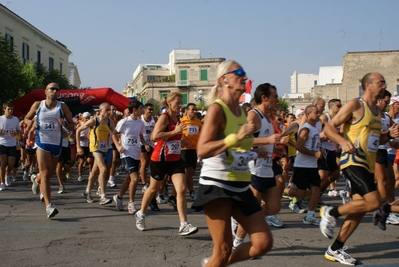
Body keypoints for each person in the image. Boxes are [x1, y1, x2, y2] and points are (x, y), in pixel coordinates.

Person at [193, 60, 272, 266]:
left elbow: (238, 148)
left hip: (240, 184)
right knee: (223, 250)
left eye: (244, 73)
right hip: (216, 184)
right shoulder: (217, 110)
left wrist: (258, 152)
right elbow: (202, 149)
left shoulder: (241, 111)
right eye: (238, 72)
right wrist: (237, 136)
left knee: (263, 243)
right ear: (224, 79)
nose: (244, 77)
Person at [321, 73, 399, 265]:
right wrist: (342, 141)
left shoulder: (376, 111)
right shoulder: (355, 105)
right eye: (380, 83)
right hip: (352, 161)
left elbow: (376, 140)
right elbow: (329, 128)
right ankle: (331, 212)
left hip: (368, 164)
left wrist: (388, 135)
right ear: (368, 86)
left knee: (359, 209)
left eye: (384, 82)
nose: (384, 86)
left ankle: (335, 248)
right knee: (373, 202)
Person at [134, 92, 198, 236]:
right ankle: (141, 214)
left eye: (181, 103)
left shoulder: (178, 118)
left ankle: (183, 224)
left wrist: (180, 141)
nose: (180, 105)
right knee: (153, 189)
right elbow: (154, 136)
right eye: (177, 103)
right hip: (160, 159)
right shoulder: (165, 118)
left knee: (181, 188)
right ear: (169, 103)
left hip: (175, 159)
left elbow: (172, 138)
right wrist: (174, 131)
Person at [24, 82, 74, 218]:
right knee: (46, 173)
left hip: (56, 143)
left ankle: (36, 178)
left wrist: (65, 125)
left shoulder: (62, 107)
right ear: (46, 91)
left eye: (57, 89)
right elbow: (26, 118)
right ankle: (49, 206)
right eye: (52, 89)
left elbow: (72, 125)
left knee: (50, 173)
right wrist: (31, 123)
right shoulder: (37, 105)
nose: (55, 91)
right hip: (42, 142)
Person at [284, 105, 322, 225]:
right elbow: (299, 146)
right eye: (316, 112)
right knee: (300, 193)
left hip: (313, 165)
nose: (318, 114)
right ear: (308, 114)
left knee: (316, 190)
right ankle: (279, 190)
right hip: (302, 166)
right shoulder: (305, 129)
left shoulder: (315, 128)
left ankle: (310, 216)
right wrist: (314, 153)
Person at [112, 100, 148, 213]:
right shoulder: (124, 122)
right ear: (135, 110)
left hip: (136, 152)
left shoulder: (141, 123)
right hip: (126, 153)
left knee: (129, 179)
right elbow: (113, 133)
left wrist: (145, 144)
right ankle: (131, 203)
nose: (143, 110)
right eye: (141, 108)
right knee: (135, 178)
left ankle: (119, 197)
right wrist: (118, 147)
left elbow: (140, 136)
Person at [76, 102, 115, 205]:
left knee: (95, 171)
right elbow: (78, 130)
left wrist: (118, 145)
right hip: (95, 148)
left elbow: (114, 133)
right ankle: (103, 196)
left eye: (110, 110)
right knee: (103, 169)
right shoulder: (94, 121)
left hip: (105, 148)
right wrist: (78, 147)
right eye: (107, 110)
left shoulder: (110, 122)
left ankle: (87, 191)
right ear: (100, 111)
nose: (109, 112)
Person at [180, 102, 202, 201]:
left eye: (195, 109)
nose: (194, 111)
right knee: (188, 172)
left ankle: (177, 188)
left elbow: (202, 135)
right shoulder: (182, 121)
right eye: (192, 109)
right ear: (187, 111)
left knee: (192, 171)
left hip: (195, 150)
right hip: (185, 150)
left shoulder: (198, 122)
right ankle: (191, 191)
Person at [0, 103, 21, 190]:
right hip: (2, 143)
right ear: (4, 109)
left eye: (12, 109)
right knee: (3, 163)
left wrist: (15, 133)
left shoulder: (15, 119)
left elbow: (19, 131)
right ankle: (2, 183)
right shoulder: (0, 119)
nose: (10, 111)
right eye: (8, 109)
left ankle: (7, 175)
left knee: (11, 163)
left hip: (12, 143)